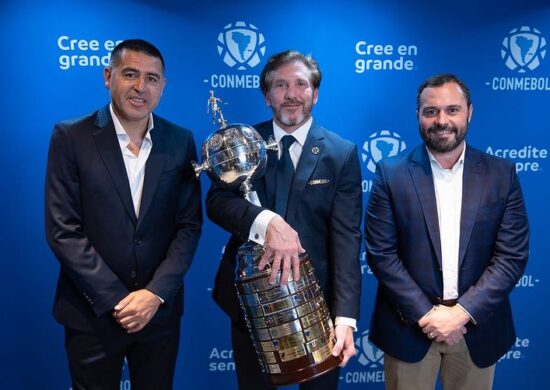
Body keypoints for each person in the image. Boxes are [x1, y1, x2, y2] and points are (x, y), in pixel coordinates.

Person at [45, 39, 202, 389]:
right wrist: (118, 300)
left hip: (158, 314)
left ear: (162, 86)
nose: (140, 87)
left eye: (152, 78)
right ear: (108, 76)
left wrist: (155, 294)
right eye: (130, 74)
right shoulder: (71, 137)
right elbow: (63, 230)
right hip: (92, 313)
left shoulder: (180, 141)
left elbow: (188, 227)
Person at [206, 50, 363, 389]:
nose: (291, 94)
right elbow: (217, 202)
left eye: (300, 85)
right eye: (280, 85)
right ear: (267, 96)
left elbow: (347, 240)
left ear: (315, 93)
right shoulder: (241, 143)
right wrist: (265, 221)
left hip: (318, 306)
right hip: (251, 302)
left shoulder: (341, 153)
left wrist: (346, 317)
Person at [365, 73, 529, 390]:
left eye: (452, 110)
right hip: (409, 327)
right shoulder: (390, 173)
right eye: (431, 111)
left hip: (476, 330)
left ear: (469, 112)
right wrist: (428, 315)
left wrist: (462, 313)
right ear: (418, 116)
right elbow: (381, 254)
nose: (442, 120)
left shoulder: (501, 174)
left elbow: (511, 255)